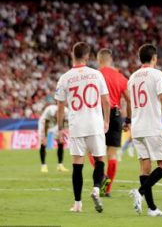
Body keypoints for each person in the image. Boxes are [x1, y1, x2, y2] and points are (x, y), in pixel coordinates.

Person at [55, 42, 110, 213]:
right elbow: (107, 100)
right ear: (87, 57)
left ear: (72, 55)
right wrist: (106, 121)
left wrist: (60, 128)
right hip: (95, 124)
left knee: (77, 165)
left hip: (77, 126)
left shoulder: (65, 78)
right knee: (100, 159)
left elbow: (60, 106)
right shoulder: (96, 75)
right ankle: (95, 189)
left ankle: (77, 204)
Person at [128, 44, 162, 217]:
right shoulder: (156, 74)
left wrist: (128, 120)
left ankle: (152, 208)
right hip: (152, 126)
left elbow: (130, 102)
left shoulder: (132, 77)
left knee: (144, 168)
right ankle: (139, 192)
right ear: (154, 58)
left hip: (137, 127)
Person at [96, 48, 132, 197]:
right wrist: (128, 120)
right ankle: (108, 189)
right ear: (110, 60)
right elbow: (129, 100)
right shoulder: (120, 77)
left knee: (93, 151)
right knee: (112, 153)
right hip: (116, 114)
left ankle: (102, 175)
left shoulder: (95, 75)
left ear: (98, 60)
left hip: (98, 114)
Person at [38, 104, 69, 173]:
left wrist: (62, 132)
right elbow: (46, 123)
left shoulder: (67, 112)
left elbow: (64, 122)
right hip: (44, 123)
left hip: (57, 124)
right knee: (44, 142)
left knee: (60, 141)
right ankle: (43, 166)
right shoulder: (50, 110)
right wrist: (45, 136)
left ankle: (60, 165)